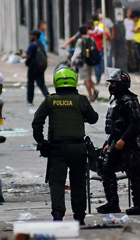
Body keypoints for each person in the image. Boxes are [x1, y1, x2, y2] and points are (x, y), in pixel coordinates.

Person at [32, 67, 99, 224]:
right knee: (78, 183)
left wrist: (41, 141)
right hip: (78, 149)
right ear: (74, 81)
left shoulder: (50, 100)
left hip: (57, 149)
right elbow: (94, 118)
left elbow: (37, 122)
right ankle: (79, 217)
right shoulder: (80, 100)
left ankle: (57, 216)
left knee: (57, 183)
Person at [97, 69, 140, 215]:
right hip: (117, 142)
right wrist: (109, 142)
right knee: (105, 169)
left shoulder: (129, 101)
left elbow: (135, 124)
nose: (111, 86)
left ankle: (139, 206)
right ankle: (112, 203)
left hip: (129, 144)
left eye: (114, 83)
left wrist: (123, 140)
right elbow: (115, 127)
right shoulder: (116, 101)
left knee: (134, 174)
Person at [71, 25, 98, 101]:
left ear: (79, 32)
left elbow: (77, 52)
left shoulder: (80, 40)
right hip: (91, 62)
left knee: (86, 80)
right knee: (89, 77)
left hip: (83, 63)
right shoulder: (91, 39)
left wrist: (73, 60)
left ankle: (91, 96)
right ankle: (94, 90)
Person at [22, 30, 49, 106]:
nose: (30, 36)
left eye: (32, 35)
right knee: (41, 84)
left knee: (31, 84)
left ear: (34, 36)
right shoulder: (41, 44)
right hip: (40, 67)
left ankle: (30, 101)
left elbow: (28, 56)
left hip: (33, 67)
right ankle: (48, 97)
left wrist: (22, 56)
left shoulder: (32, 45)